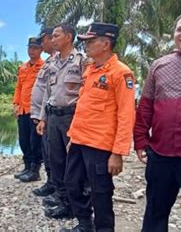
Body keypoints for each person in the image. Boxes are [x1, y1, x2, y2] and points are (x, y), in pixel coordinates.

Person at [60, 23, 136, 232]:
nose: (86, 45)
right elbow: (83, 108)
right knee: (72, 183)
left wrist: (118, 153)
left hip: (101, 146)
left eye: (91, 41)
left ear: (106, 43)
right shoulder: (90, 70)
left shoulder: (121, 73)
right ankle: (85, 224)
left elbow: (126, 115)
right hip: (79, 140)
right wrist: (72, 137)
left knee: (101, 193)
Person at [134, 10, 181, 232]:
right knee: (154, 216)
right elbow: (146, 107)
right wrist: (140, 140)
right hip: (160, 156)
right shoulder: (159, 66)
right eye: (180, 29)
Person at [36, 23, 85, 218]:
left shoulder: (81, 62)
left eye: (56, 36)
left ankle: (77, 205)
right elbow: (48, 92)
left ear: (69, 37)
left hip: (71, 117)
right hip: (53, 117)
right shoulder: (52, 63)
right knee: (56, 161)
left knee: (73, 164)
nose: (52, 39)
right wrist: (42, 118)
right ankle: (63, 200)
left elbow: (86, 95)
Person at [12, 37, 45, 182]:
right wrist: (16, 104)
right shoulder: (23, 67)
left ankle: (35, 170)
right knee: (23, 139)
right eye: (30, 48)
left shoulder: (44, 66)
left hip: (36, 110)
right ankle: (26, 166)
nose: (32, 51)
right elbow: (19, 87)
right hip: (23, 110)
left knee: (35, 141)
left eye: (35, 48)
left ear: (41, 50)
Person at [30, 27, 57, 196]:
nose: (42, 43)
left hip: (55, 115)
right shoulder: (50, 61)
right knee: (47, 152)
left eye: (44, 40)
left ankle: (58, 191)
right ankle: (51, 183)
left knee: (55, 155)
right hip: (44, 115)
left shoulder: (66, 62)